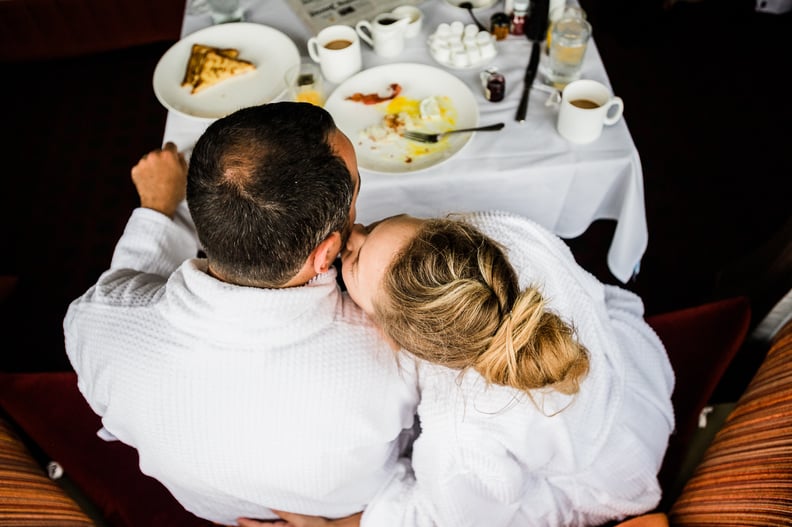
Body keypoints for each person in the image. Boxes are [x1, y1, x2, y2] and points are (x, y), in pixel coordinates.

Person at [63, 102, 419, 526]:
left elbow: (124, 282)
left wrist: (156, 208)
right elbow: (453, 482)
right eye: (358, 190)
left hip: (220, 510)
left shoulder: (95, 324)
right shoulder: (394, 352)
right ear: (325, 255)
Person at [249, 211, 675, 527]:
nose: (352, 235)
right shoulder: (512, 235)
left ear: (395, 334)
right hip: (628, 367)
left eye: (356, 259)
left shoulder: (461, 432)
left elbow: (449, 518)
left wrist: (336, 526)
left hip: (612, 476)